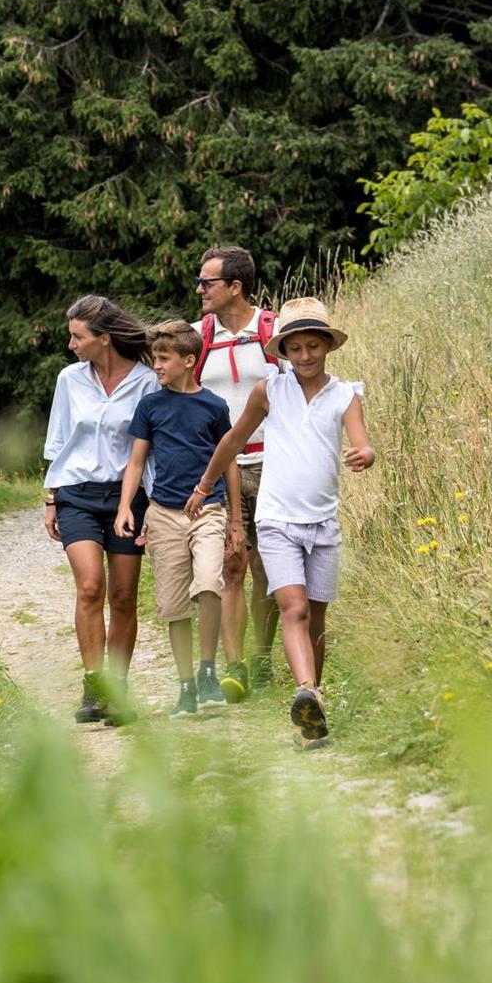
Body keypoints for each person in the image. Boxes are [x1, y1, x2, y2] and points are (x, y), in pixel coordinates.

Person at [186, 298, 375, 749]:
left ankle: (313, 707)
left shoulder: (344, 394)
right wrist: (204, 484)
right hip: (276, 520)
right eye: (296, 348)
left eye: (314, 346)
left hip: (323, 522)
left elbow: (361, 442)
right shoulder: (270, 391)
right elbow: (233, 438)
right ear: (283, 352)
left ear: (327, 346)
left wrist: (364, 455)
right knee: (295, 608)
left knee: (317, 621)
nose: (306, 356)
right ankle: (304, 691)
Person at [42, 294, 159, 725]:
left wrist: (152, 506)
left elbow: (150, 450)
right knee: (90, 586)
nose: (71, 344)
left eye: (78, 336)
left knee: (124, 595)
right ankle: (94, 683)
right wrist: (52, 497)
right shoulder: (69, 379)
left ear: (104, 338)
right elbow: (57, 442)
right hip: (77, 493)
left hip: (127, 498)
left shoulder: (147, 382)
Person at [113, 322, 239, 718]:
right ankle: (187, 686)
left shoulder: (215, 406)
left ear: (189, 361)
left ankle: (207, 671)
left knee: (208, 583)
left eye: (164, 359)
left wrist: (235, 518)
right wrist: (124, 507)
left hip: (208, 510)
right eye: (155, 360)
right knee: (172, 605)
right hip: (163, 514)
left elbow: (229, 462)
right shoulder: (151, 406)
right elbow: (136, 462)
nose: (157, 367)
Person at [192, 245, 279, 702]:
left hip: (271, 464)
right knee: (231, 565)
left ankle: (263, 657)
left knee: (267, 565)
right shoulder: (196, 336)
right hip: (220, 468)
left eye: (207, 282)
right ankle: (236, 665)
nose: (199, 289)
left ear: (235, 287)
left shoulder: (275, 331)